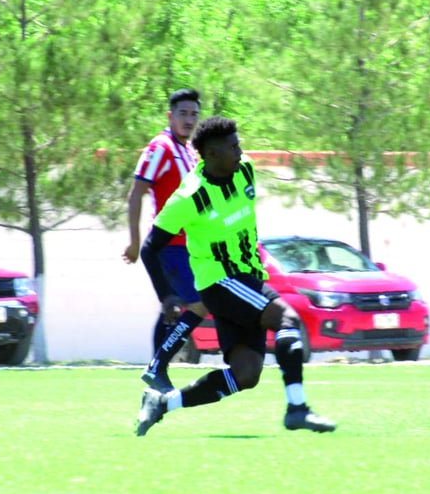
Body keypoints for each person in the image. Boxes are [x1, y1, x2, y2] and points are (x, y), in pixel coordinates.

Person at [135, 115, 336, 436]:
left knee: (247, 374)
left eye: (239, 143)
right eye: (233, 147)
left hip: (248, 279)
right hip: (220, 281)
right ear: (211, 155)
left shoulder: (245, 169)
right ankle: (297, 408)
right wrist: (166, 295)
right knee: (287, 319)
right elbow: (150, 248)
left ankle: (162, 403)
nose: (240, 151)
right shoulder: (189, 197)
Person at [123, 88, 207, 393]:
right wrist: (134, 242)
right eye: (183, 113)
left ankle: (157, 376)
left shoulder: (187, 149)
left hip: (188, 247)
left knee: (172, 310)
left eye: (194, 114)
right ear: (169, 116)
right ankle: (157, 367)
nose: (189, 120)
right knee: (199, 304)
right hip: (168, 246)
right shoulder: (160, 147)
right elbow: (137, 193)